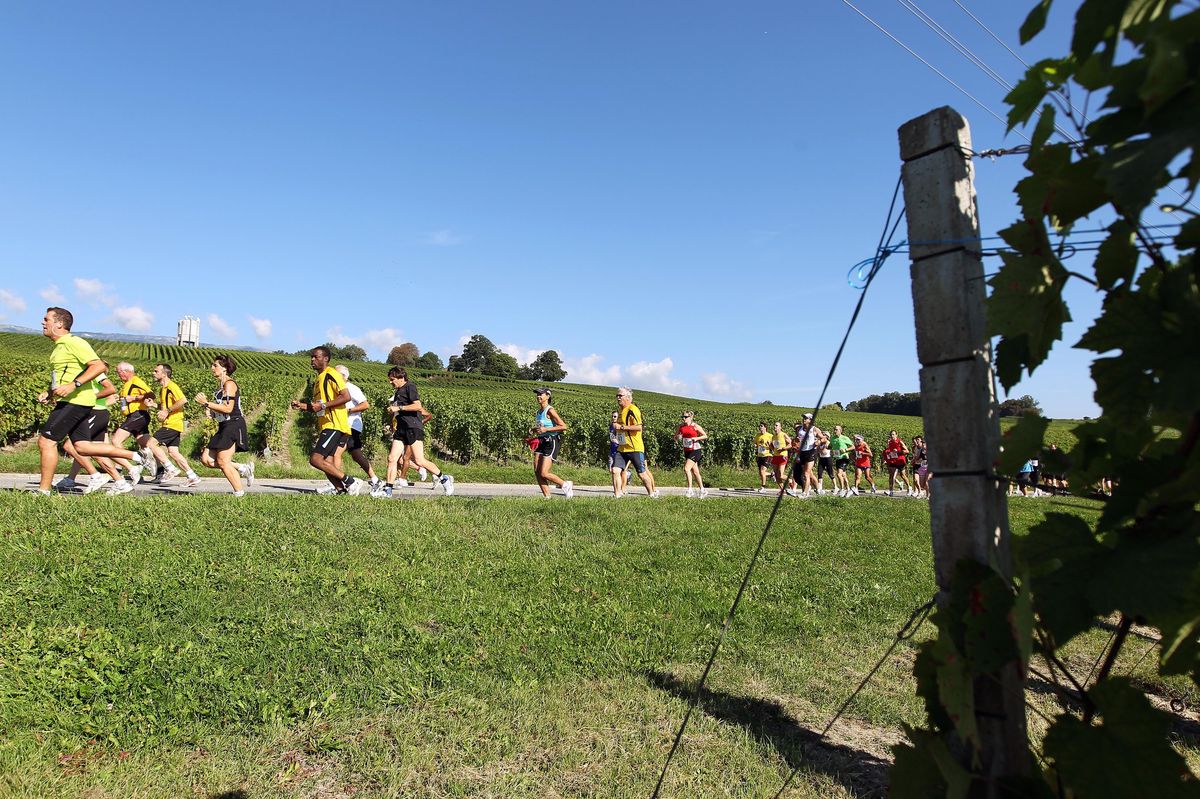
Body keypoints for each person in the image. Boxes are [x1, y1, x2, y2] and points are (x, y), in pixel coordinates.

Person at [33, 307, 145, 495]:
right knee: (81, 447)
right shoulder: (59, 347)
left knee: (46, 441)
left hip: (75, 401)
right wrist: (49, 393)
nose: (43, 322)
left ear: (60, 323)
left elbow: (99, 365)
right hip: (73, 400)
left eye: (47, 319)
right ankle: (136, 456)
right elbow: (62, 378)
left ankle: (43, 491)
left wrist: (74, 385)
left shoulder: (74, 342)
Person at [290, 346, 365, 495]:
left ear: (325, 359)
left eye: (316, 357)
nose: (312, 360)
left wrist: (323, 405)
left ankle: (351, 481)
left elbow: (346, 396)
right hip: (328, 424)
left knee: (316, 459)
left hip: (335, 424)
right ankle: (341, 491)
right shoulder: (319, 379)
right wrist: (302, 406)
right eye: (311, 357)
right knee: (328, 462)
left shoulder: (332, 374)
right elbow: (319, 407)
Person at [374, 367, 453, 497]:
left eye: (392, 379)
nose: (390, 382)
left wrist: (398, 407)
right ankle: (387, 490)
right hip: (401, 428)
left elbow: (417, 406)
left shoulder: (410, 386)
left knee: (419, 460)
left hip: (413, 427)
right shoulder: (398, 391)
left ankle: (444, 478)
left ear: (401, 378)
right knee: (392, 458)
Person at [58, 363, 128, 494]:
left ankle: (97, 475)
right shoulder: (84, 374)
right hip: (92, 412)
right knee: (95, 452)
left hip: (96, 412)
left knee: (71, 446)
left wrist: (89, 398)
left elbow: (110, 390)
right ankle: (120, 482)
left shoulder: (95, 372)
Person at [194, 354, 255, 495]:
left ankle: (239, 493)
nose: (212, 368)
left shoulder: (229, 384)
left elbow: (228, 408)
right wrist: (211, 412)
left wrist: (206, 403)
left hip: (234, 424)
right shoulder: (220, 388)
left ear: (225, 369)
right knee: (207, 459)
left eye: (215, 365)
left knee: (222, 461)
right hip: (223, 425)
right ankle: (243, 468)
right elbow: (221, 409)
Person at [146, 363, 200, 487]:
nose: (153, 373)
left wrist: (167, 411)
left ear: (164, 374)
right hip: (172, 423)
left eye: (156, 371)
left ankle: (170, 468)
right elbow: (166, 406)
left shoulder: (171, 386)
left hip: (172, 423)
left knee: (150, 444)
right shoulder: (163, 389)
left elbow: (182, 400)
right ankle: (192, 476)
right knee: (173, 452)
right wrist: (154, 405)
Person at [335, 365, 382, 493]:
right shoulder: (338, 388)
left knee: (336, 453)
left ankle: (337, 484)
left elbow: (365, 404)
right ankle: (375, 480)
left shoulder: (352, 388)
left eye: (336, 374)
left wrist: (349, 411)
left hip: (351, 426)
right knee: (356, 455)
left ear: (344, 376)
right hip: (343, 425)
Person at [111, 362, 157, 483]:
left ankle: (125, 467)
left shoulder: (136, 381)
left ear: (126, 371)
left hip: (137, 415)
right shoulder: (127, 384)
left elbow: (151, 394)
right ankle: (162, 468)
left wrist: (134, 398)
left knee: (116, 440)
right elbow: (126, 400)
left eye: (118, 372)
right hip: (135, 416)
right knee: (146, 445)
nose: (118, 375)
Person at [611, 387, 658, 498]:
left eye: (620, 396)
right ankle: (617, 495)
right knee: (615, 470)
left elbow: (638, 427)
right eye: (617, 396)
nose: (618, 398)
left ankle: (652, 494)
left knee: (642, 474)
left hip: (634, 448)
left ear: (627, 397)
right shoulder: (620, 410)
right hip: (622, 448)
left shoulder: (633, 409)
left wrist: (621, 427)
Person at [531, 388, 572, 498]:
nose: (538, 396)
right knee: (536, 470)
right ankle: (547, 497)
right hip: (542, 441)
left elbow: (564, 426)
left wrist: (546, 430)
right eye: (537, 394)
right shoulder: (538, 412)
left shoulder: (550, 410)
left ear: (548, 396)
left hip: (552, 441)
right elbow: (543, 427)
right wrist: (535, 430)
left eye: (541, 394)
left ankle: (565, 485)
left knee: (544, 473)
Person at [675, 410, 708, 498]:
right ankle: (703, 490)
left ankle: (690, 490)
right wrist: (677, 437)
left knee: (686, 468)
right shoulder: (680, 426)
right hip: (687, 450)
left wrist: (696, 438)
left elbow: (705, 435)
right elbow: (675, 437)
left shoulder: (695, 426)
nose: (684, 418)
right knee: (696, 472)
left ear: (691, 417)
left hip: (696, 450)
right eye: (683, 417)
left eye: (686, 417)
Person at [792, 413, 824, 497]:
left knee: (806, 474)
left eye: (806, 418)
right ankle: (818, 489)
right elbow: (796, 438)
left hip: (811, 452)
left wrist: (818, 442)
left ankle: (805, 493)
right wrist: (797, 440)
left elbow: (823, 438)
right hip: (802, 452)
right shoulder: (800, 429)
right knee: (809, 474)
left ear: (810, 420)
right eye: (803, 418)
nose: (804, 419)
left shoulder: (814, 429)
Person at [609, 411, 632, 495]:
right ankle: (616, 490)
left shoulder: (619, 426)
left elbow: (622, 440)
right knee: (613, 471)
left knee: (623, 471)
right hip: (612, 450)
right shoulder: (611, 425)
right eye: (612, 416)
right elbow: (611, 436)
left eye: (615, 416)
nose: (613, 418)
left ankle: (622, 489)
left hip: (620, 451)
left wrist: (617, 441)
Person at [882, 430, 911, 496]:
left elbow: (907, 451)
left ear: (896, 435)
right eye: (891, 435)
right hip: (893, 461)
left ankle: (909, 488)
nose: (892, 436)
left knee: (903, 476)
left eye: (893, 434)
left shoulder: (900, 441)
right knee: (892, 476)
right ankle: (891, 491)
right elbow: (889, 451)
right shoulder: (890, 442)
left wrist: (898, 451)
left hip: (900, 461)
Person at [829, 424, 854, 497]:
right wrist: (830, 449)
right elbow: (830, 446)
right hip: (838, 458)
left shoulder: (844, 438)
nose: (835, 431)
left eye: (836, 429)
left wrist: (846, 449)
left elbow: (853, 447)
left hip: (844, 457)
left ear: (840, 431)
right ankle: (848, 489)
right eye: (834, 429)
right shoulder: (833, 438)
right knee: (843, 475)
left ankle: (842, 489)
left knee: (839, 474)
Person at [769, 421, 791, 491]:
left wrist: (783, 448)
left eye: (776, 425)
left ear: (780, 427)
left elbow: (790, 444)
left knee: (780, 475)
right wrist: (769, 446)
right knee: (776, 475)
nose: (775, 427)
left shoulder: (783, 435)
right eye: (774, 425)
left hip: (783, 455)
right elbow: (774, 448)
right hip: (775, 456)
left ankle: (790, 480)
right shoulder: (773, 436)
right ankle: (782, 490)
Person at [754, 422, 773, 492]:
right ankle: (772, 474)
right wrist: (755, 445)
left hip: (768, 455)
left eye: (761, 426)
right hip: (760, 455)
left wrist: (769, 445)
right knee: (761, 473)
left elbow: (774, 446)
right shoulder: (757, 435)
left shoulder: (770, 435)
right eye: (759, 426)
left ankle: (763, 487)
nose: (760, 427)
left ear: (765, 427)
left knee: (762, 471)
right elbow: (755, 443)